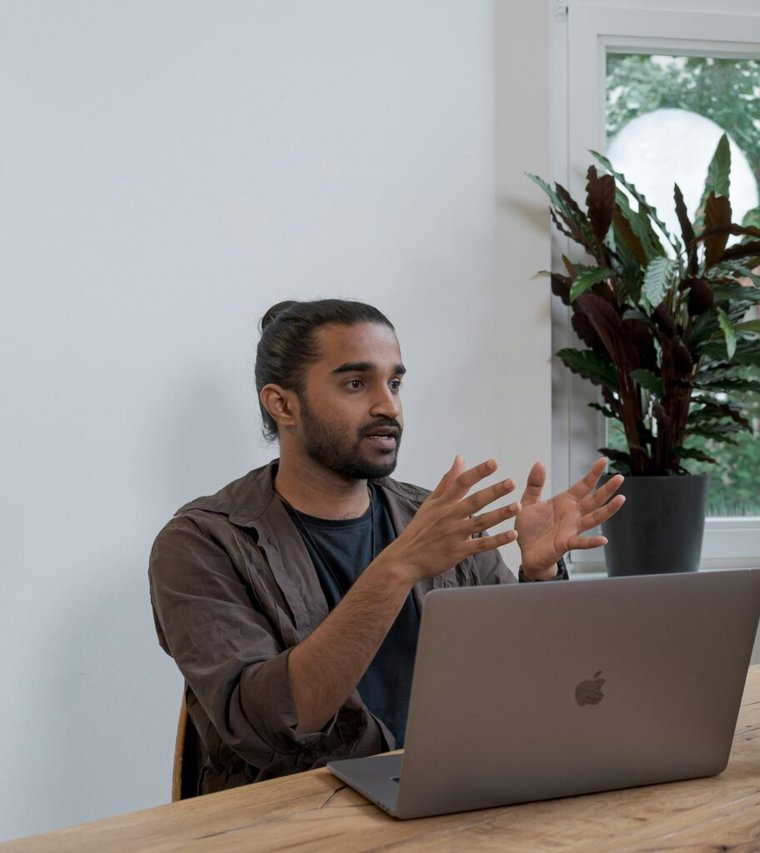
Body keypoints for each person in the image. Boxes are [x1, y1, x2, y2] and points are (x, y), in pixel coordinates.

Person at [149, 299, 625, 793]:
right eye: (356, 384)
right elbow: (271, 729)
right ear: (282, 404)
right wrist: (398, 567)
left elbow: (522, 685)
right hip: (295, 820)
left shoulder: (438, 519)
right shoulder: (201, 544)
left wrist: (540, 576)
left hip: (451, 795)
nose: (389, 406)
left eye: (394, 383)